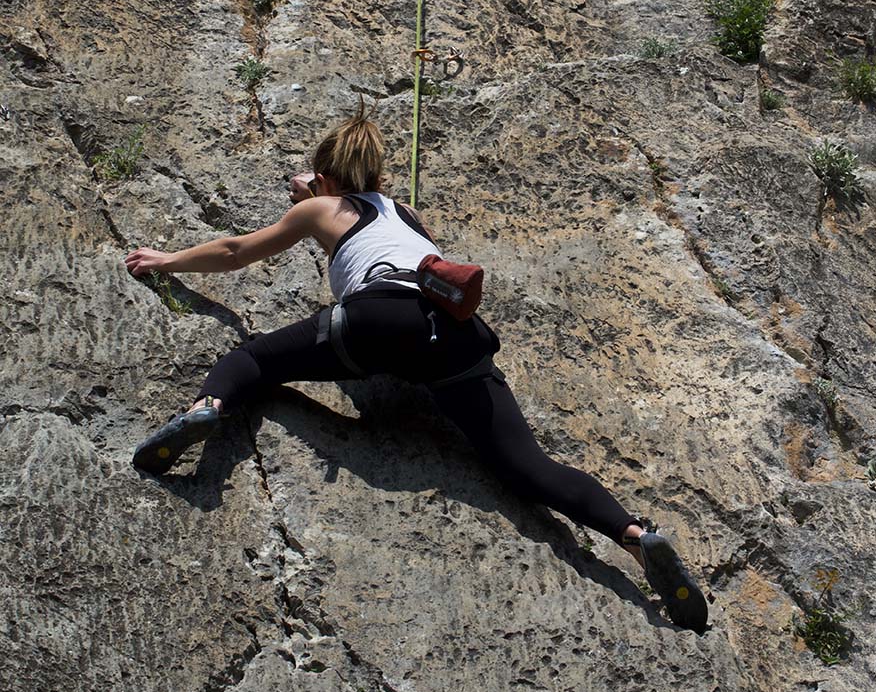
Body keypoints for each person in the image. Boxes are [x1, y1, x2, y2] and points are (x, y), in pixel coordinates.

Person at [125, 101, 708, 633]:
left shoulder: (321, 208)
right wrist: (321, 186)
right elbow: (372, 211)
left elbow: (236, 251)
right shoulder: (406, 214)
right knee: (525, 465)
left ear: (325, 181)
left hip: (378, 321)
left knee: (251, 359)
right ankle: (634, 535)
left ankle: (208, 409)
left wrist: (168, 259)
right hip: (451, 331)